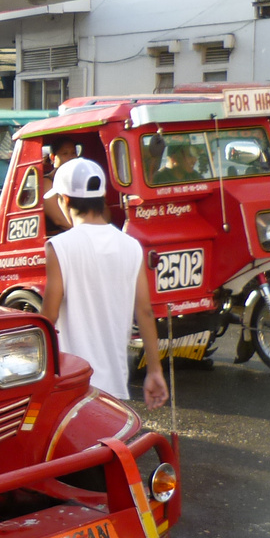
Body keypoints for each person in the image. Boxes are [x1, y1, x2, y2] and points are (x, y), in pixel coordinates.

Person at [42, 157, 168, 408]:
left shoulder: (59, 246)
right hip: (115, 386)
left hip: (73, 383)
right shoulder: (131, 246)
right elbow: (144, 311)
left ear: (64, 200)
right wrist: (155, 371)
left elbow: (49, 316)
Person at [43, 142, 80, 233]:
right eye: (65, 154)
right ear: (53, 157)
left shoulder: (80, 178)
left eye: (73, 153)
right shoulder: (47, 182)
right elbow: (60, 221)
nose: (71, 157)